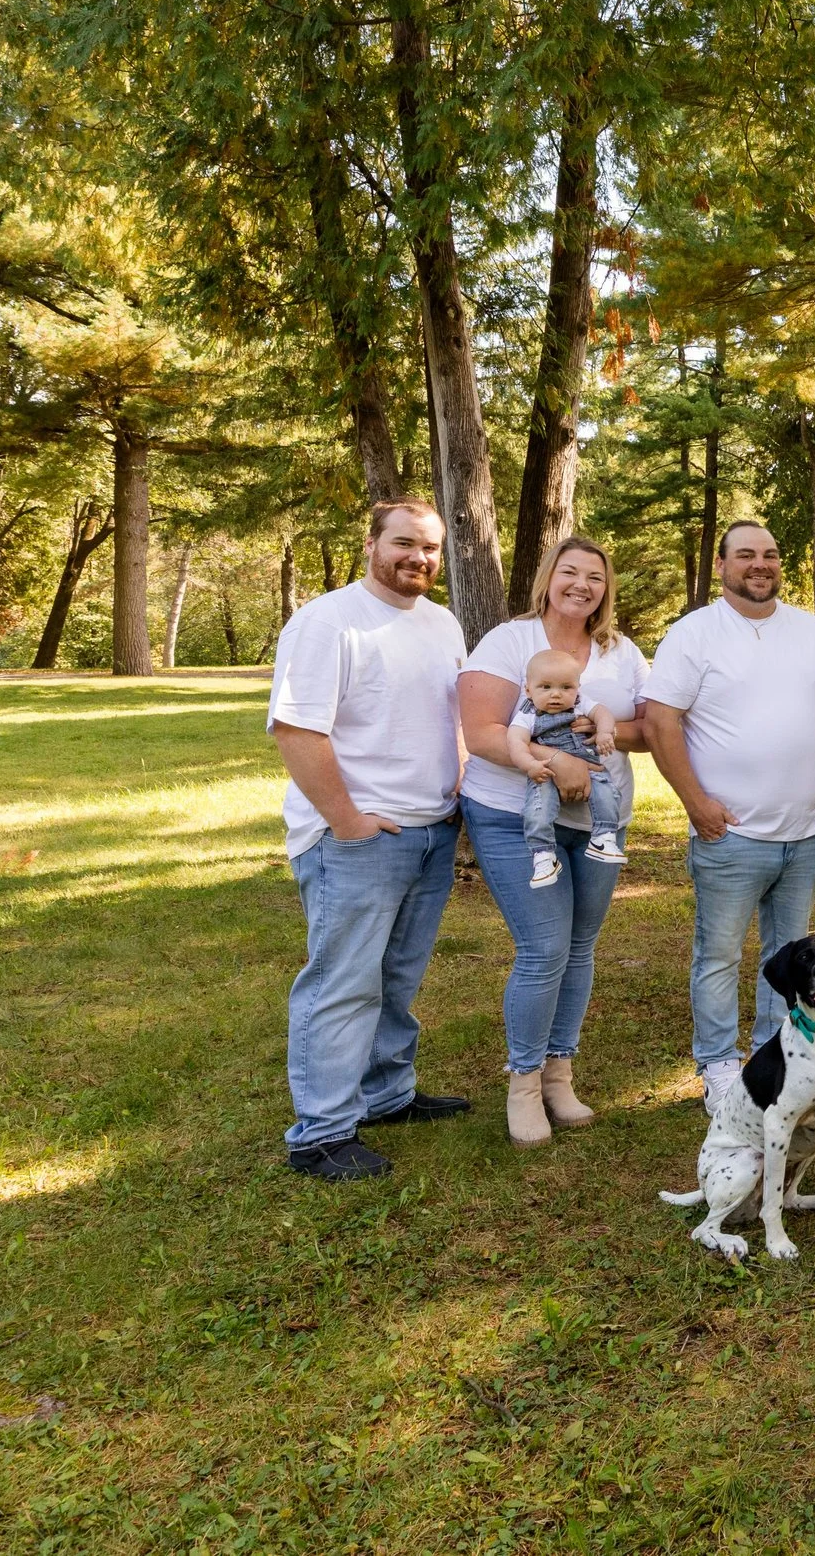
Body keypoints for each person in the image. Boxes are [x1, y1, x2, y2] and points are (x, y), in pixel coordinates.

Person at [267, 499, 472, 1182]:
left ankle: (387, 1094)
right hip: (358, 839)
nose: (419, 557)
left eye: (431, 548)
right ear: (372, 543)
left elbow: (454, 720)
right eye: (405, 543)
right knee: (342, 983)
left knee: (396, 978)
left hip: (431, 831)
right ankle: (321, 1133)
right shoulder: (330, 620)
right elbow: (297, 729)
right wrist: (348, 819)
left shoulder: (442, 623)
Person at [643, 520, 815, 1114]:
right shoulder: (694, 634)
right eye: (746, 555)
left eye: (770, 555)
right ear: (723, 564)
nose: (760, 565)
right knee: (720, 953)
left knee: (791, 955)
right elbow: (661, 721)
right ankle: (717, 1064)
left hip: (806, 832)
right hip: (730, 834)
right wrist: (695, 803)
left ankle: (774, 1052)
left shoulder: (814, 633)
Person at [457, 536, 650, 1147]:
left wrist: (608, 728)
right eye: (570, 572)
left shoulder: (620, 652)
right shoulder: (509, 641)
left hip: (600, 821)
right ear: (548, 578)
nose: (581, 585)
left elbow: (650, 724)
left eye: (595, 577)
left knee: (581, 945)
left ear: (606, 589)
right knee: (544, 948)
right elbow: (483, 731)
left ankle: (560, 1074)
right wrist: (554, 763)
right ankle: (523, 1084)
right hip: (516, 814)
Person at [506, 647, 627, 886]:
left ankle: (603, 837)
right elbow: (516, 743)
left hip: (589, 765)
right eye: (546, 687)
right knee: (539, 807)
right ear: (528, 690)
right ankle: (543, 855)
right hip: (545, 771)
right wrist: (530, 765)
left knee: (607, 793)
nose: (556, 695)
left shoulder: (582, 704)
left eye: (566, 687)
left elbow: (603, 713)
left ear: (577, 689)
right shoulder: (527, 715)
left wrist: (604, 731)